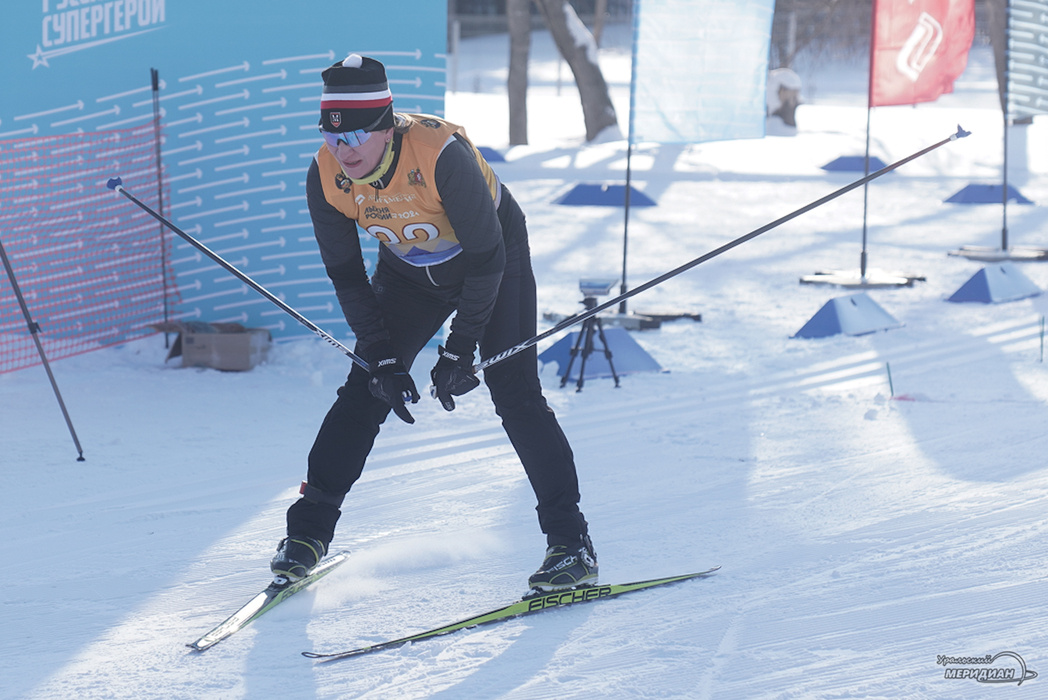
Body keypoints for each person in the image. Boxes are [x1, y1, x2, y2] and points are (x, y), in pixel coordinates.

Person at [270, 53, 597, 593]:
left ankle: (570, 543)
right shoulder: (326, 174)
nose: (341, 149)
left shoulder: (440, 154)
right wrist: (380, 353)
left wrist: (458, 349)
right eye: (330, 137)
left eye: (352, 136)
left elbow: (488, 259)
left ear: (385, 127)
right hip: (408, 273)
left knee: (514, 394)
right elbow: (347, 276)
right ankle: (306, 534)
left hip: (493, 261)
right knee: (364, 389)